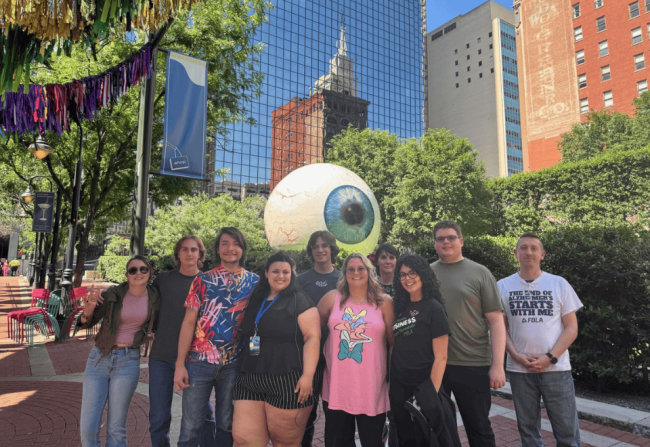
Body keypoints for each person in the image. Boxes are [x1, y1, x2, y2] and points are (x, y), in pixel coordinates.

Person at [174, 227, 259, 447]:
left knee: (226, 425)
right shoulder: (202, 280)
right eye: (225, 243)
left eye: (236, 243)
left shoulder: (255, 282)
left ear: (242, 249)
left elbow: (258, 325)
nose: (231, 248)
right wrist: (179, 365)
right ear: (217, 249)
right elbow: (188, 322)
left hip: (234, 364)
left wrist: (255, 359)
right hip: (198, 363)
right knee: (191, 426)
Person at [498, 232, 583, 447]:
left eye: (534, 248)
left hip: (557, 369)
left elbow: (571, 327)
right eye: (523, 248)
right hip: (520, 370)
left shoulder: (559, 284)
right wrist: (515, 356)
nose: (528, 252)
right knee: (528, 432)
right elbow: (500, 328)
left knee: (567, 432)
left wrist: (550, 358)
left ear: (542, 254)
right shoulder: (503, 286)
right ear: (515, 253)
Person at [430, 220, 506, 447]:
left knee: (479, 427)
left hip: (473, 362)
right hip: (436, 363)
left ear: (461, 241)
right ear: (434, 244)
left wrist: (498, 365)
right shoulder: (426, 274)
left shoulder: (480, 273)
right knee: (441, 426)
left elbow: (496, 321)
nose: (446, 242)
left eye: (451, 237)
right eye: (441, 238)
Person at [233, 252, 321, 446]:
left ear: (292, 275)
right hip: (250, 378)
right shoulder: (256, 298)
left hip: (288, 382)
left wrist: (308, 376)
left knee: (284, 443)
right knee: (243, 440)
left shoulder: (300, 300)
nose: (280, 276)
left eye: (285, 272)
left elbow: (312, 338)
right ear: (266, 273)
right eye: (275, 271)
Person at [78, 255, 160, 447]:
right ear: (126, 275)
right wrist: (87, 312)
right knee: (88, 427)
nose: (138, 273)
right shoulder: (112, 294)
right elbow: (86, 323)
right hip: (99, 358)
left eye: (143, 269)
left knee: (116, 427)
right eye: (133, 270)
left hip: (128, 361)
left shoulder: (156, 298)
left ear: (150, 272)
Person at [318, 253, 394, 447]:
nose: (356, 273)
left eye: (361, 268)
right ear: (344, 273)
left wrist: (393, 379)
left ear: (369, 272)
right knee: (338, 442)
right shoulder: (331, 299)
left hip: (371, 386)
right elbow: (313, 335)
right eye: (351, 269)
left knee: (372, 442)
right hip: (336, 386)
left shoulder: (384, 302)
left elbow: (393, 343)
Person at [149, 236, 216, 447]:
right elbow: (141, 296)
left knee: (203, 416)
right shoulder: (163, 280)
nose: (189, 253)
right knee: (158, 417)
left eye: (194, 249)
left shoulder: (208, 282)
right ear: (177, 254)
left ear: (200, 254)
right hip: (161, 357)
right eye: (184, 249)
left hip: (195, 359)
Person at [390, 254, 459, 447]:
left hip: (424, 386)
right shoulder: (399, 307)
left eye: (412, 273)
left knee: (428, 440)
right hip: (399, 386)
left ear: (423, 275)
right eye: (402, 275)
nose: (407, 279)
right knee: (405, 438)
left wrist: (429, 396)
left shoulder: (434, 308)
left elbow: (441, 357)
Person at [297, 230, 341, 447]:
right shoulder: (301, 280)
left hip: (338, 354)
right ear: (311, 250)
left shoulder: (344, 278)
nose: (321, 250)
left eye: (325, 245)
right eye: (316, 246)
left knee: (335, 412)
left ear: (332, 248)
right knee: (307, 412)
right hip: (308, 355)